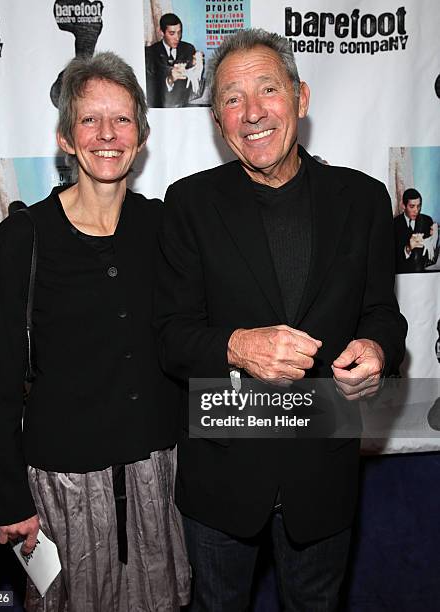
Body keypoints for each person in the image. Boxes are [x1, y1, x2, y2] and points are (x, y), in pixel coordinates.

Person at [154, 29, 407, 611]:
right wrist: (239, 346)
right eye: (232, 99)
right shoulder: (189, 204)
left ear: (301, 97)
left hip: (324, 470)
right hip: (222, 475)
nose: (252, 113)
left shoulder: (364, 199)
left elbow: (383, 314)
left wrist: (377, 349)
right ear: (218, 122)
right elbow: (170, 337)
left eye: (267, 90)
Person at [0, 52, 190, 611]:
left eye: (121, 119)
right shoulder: (21, 238)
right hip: (62, 486)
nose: (106, 134)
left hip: (157, 477)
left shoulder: (163, 226)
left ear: (141, 137)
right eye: (89, 120)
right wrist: (9, 500)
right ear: (66, 138)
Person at [145, 13, 204, 108]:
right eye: (172, 33)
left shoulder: (188, 49)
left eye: (179, 32)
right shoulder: (150, 53)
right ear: (161, 32)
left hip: (185, 107)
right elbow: (150, 88)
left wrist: (196, 64)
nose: (177, 37)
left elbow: (195, 83)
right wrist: (169, 79)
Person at [394, 187, 439, 273]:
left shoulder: (427, 220)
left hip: (424, 274)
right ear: (403, 206)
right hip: (403, 276)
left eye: (419, 206)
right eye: (412, 206)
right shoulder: (394, 224)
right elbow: (393, 257)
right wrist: (408, 248)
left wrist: (435, 238)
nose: (416, 210)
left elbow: (432, 255)